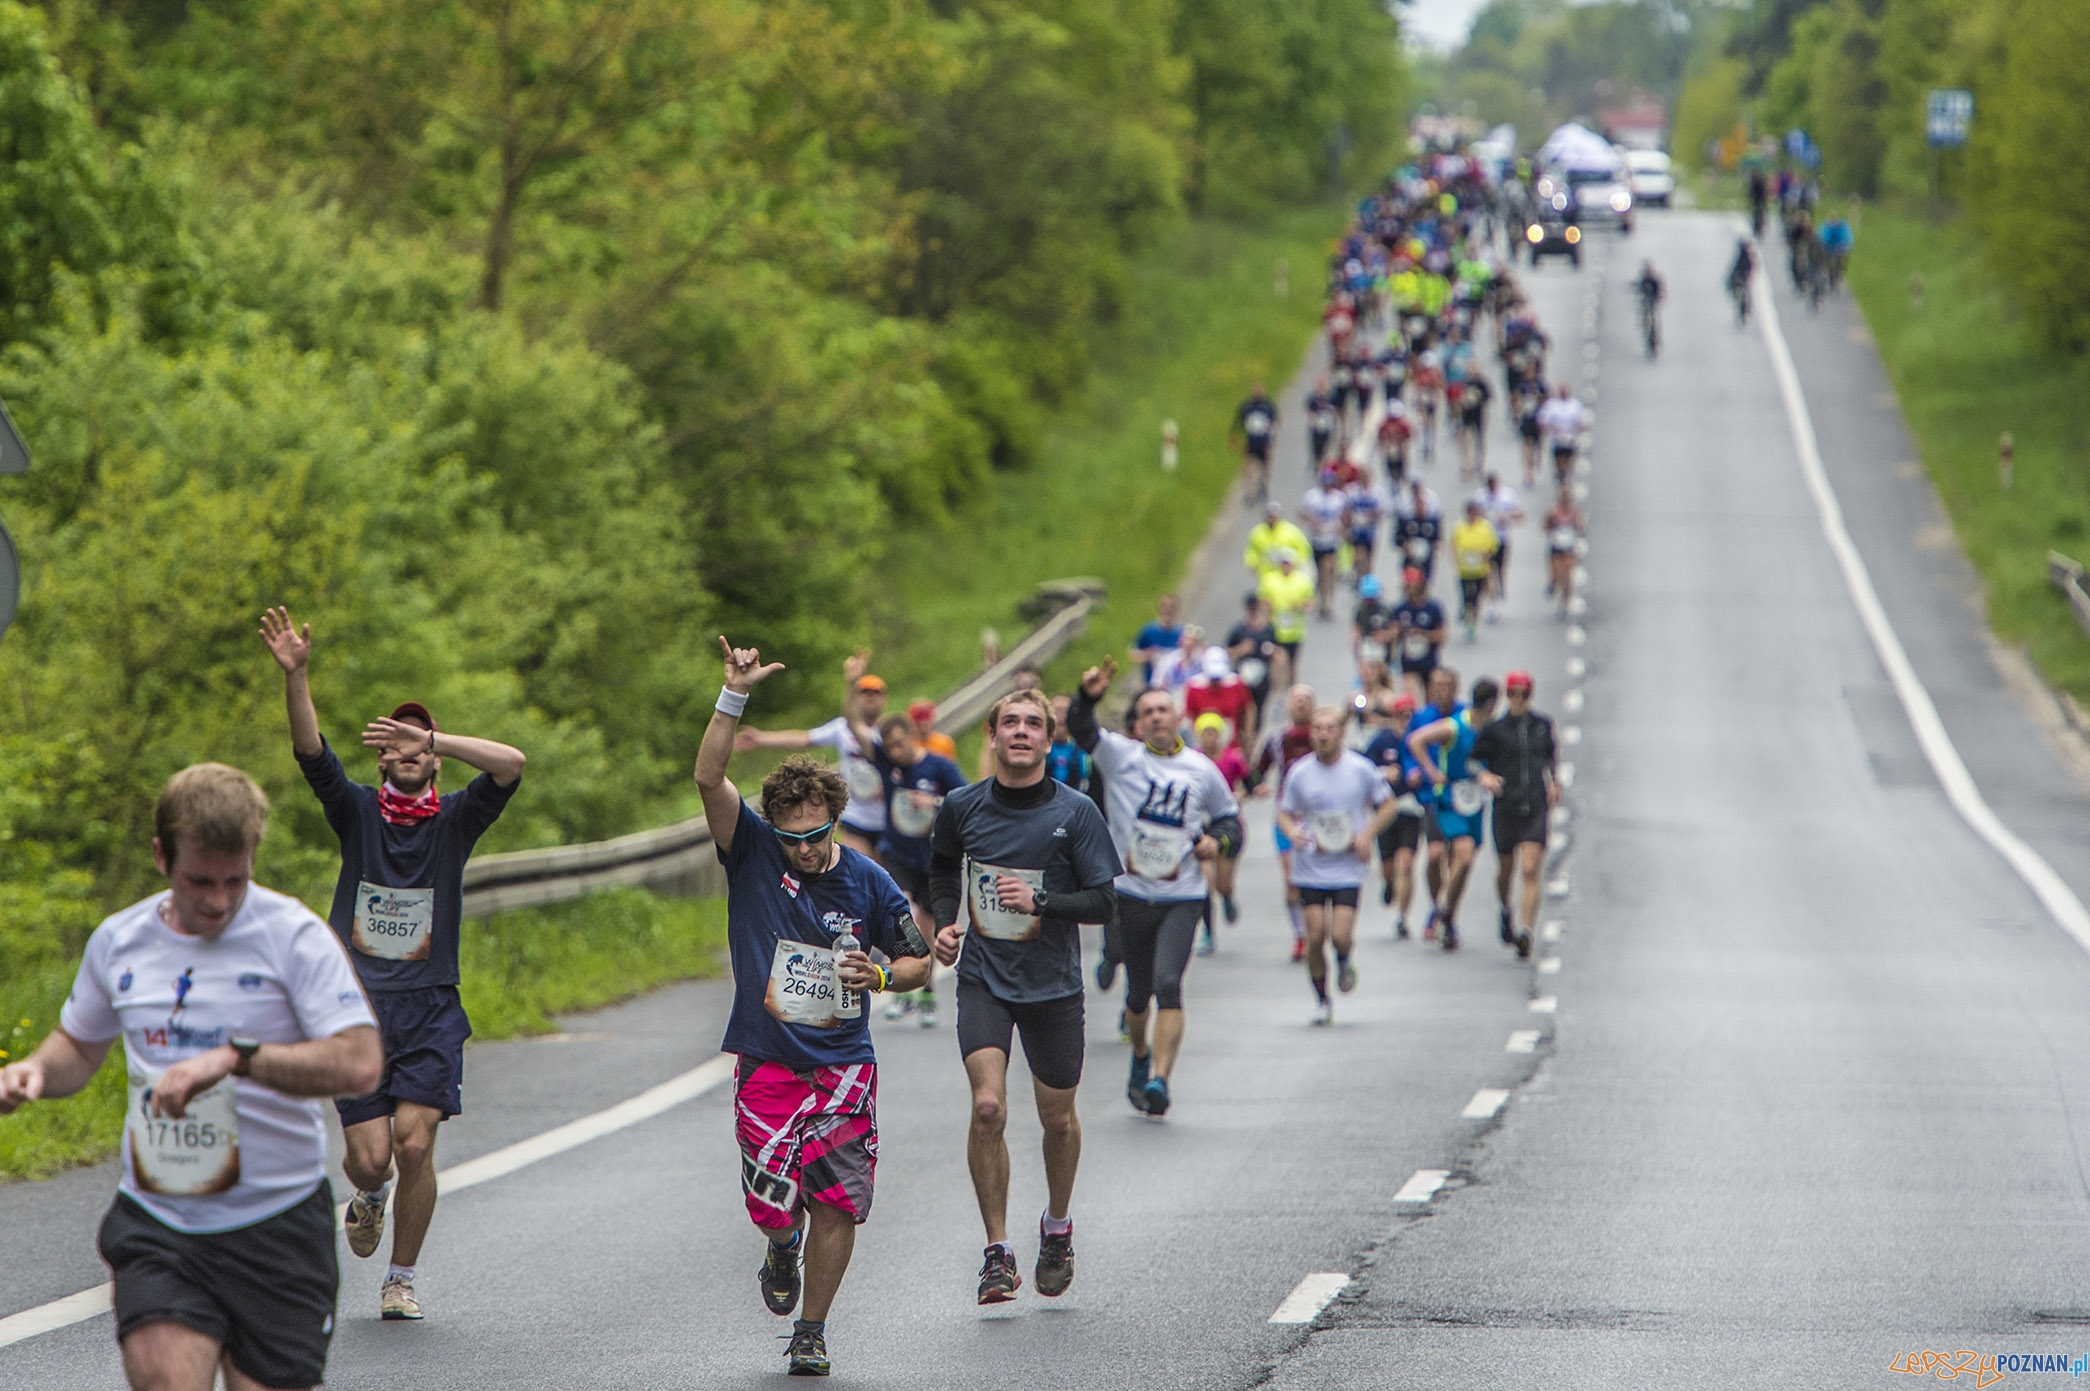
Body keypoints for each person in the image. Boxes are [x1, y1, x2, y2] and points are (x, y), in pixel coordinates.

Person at [0, 764, 383, 1391]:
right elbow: (78, 1046)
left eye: (236, 880)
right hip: (163, 1221)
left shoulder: (293, 937)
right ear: (161, 856)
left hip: (276, 1223)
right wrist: (33, 1072)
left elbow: (361, 1062)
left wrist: (239, 1059)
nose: (219, 901)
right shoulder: (120, 941)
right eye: (200, 881)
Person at [260, 607, 524, 1323]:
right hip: (357, 1010)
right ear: (381, 760)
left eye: (419, 742)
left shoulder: (456, 820)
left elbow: (512, 764)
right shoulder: (357, 813)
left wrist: (434, 736)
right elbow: (310, 750)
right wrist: (297, 674)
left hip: (431, 1006)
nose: (408, 749)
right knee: (372, 1158)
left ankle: (400, 1279)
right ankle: (369, 1194)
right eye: (398, 742)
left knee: (415, 1141)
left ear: (434, 759)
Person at [695, 638, 935, 1376]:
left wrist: (882, 976)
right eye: (792, 836)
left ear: (836, 817)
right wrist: (734, 695)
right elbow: (708, 776)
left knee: (836, 1200)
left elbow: (919, 962)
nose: (804, 847)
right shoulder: (752, 852)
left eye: (817, 833)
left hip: (843, 1065)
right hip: (768, 1061)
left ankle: (812, 1329)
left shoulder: (869, 880)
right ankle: (779, 1244)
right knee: (775, 1204)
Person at [928, 688, 1120, 1304]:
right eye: (1009, 722)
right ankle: (997, 1252)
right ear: (992, 735)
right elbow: (941, 867)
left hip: (1053, 986)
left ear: (1047, 738)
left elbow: (1104, 901)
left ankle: (1056, 1227)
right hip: (985, 977)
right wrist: (944, 922)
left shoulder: (1076, 811)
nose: (1020, 731)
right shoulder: (961, 805)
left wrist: (1041, 901)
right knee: (988, 1107)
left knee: (1057, 1120)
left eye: (1033, 723)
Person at [1068, 662, 1242, 1117]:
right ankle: (1141, 1055)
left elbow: (1230, 821)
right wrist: (1087, 697)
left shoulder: (1201, 769)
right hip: (1129, 894)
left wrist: (1217, 842)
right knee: (1137, 995)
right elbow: (1080, 727)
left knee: (1168, 984)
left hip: (1182, 896)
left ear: (1179, 717)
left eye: (1164, 709)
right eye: (1148, 712)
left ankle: (1161, 1079)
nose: (1158, 717)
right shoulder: (1120, 757)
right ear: (1139, 724)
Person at [1277, 707, 1398, 1025]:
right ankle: (1322, 1000)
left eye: (1330, 728)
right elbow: (1284, 813)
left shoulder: (1361, 769)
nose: (1324, 734)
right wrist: (1293, 832)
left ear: (1341, 733)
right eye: (1318, 728)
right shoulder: (1300, 772)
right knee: (1315, 936)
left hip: (1347, 867)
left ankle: (1343, 958)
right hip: (1311, 866)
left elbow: (1389, 806)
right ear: (1311, 734)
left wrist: (1367, 834)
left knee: (1340, 935)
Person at [849, 709, 967, 1029]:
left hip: (932, 857)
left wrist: (933, 802)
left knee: (926, 926)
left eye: (900, 744)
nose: (896, 752)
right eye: (890, 747)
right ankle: (899, 985)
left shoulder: (938, 766)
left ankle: (926, 990)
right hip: (896, 852)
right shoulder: (887, 764)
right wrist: (852, 689)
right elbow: (854, 724)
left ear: (912, 737)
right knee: (898, 909)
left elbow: (966, 799)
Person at [736, 655, 891, 858]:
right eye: (864, 693)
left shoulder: (893, 733)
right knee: (859, 867)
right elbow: (804, 739)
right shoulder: (842, 728)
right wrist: (760, 738)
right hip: (855, 816)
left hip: (886, 816)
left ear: (884, 698)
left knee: (884, 872)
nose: (870, 698)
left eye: (875, 693)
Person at [1408, 676, 1501, 952]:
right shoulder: (1455, 726)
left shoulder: (1492, 730)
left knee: (1465, 862)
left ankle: (1447, 913)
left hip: (1475, 801)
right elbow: (1416, 740)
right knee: (1460, 853)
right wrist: (1431, 771)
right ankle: (1441, 910)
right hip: (1449, 798)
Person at [1471, 670, 1559, 959]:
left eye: (1523, 694)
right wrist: (1484, 776)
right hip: (1506, 805)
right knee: (1506, 868)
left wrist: (1553, 782)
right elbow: (1473, 760)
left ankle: (1526, 930)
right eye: (1513, 694)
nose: (1518, 699)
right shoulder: (1495, 729)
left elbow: (1550, 757)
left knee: (1530, 868)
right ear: (1507, 696)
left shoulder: (1541, 726)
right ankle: (1506, 908)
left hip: (1534, 803)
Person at [1252, 685, 1318, 961]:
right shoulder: (1278, 739)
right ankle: (1300, 936)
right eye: (1296, 700)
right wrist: (1256, 787)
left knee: (1317, 878)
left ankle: (1317, 930)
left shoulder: (1322, 736)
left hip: (1317, 817)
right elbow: (1257, 772)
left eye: (1306, 700)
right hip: (1286, 817)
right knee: (1292, 879)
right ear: (1289, 705)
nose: (1301, 704)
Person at [1363, 693, 1437, 938]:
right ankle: (1388, 882)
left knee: (1406, 863)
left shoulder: (1419, 740)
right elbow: (1365, 770)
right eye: (1401, 715)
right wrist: (1385, 773)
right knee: (1388, 867)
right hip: (1386, 810)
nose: (1405, 720)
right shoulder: (1382, 740)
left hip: (1411, 810)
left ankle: (1402, 917)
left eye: (1409, 715)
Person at [1192, 712, 1250, 953]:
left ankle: (1226, 896)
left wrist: (1239, 795)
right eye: (1205, 733)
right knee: (1205, 883)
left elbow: (1250, 784)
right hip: (1200, 826)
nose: (1209, 738)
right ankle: (1208, 932)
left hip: (1227, 826)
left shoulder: (1232, 759)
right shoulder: (1192, 760)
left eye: (1213, 733)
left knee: (1221, 884)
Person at [1225, 592, 1281, 748]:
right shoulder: (1238, 630)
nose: (1253, 609)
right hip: (1242, 678)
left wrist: (1273, 654)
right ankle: (1241, 744)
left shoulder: (1268, 630)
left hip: (1262, 678)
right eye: (1250, 607)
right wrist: (1241, 650)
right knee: (1241, 711)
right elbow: (1226, 653)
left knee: (1259, 711)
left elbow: (1279, 653)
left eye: (1255, 606)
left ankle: (1252, 745)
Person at [1390, 567, 1448, 702]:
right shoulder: (1400, 609)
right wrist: (1400, 632)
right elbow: (1393, 633)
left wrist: (1424, 634)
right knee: (1411, 696)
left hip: (1429, 661)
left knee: (1432, 700)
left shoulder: (1433, 608)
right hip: (1408, 663)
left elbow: (1441, 635)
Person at [1257, 549, 1316, 679]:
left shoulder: (1302, 581)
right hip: (1275, 628)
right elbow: (1261, 600)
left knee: (1293, 664)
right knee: (1279, 661)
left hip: (1295, 630)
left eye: (1288, 563)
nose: (1285, 566)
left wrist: (1300, 605)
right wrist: (1268, 606)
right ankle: (1279, 687)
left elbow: (1311, 603)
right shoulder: (1270, 579)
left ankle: (1291, 686)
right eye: (1283, 563)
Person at [1183, 645, 1252, 751]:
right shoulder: (1194, 687)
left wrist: (1247, 736)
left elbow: (1248, 709)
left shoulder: (1236, 684)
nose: (1215, 681)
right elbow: (1189, 715)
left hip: (1231, 744)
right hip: (1202, 744)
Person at [1300, 472, 1349, 617]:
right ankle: (1323, 599)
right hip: (1317, 540)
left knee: (1328, 570)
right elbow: (1302, 512)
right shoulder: (1312, 496)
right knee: (1321, 573)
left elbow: (1346, 515)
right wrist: (1312, 521)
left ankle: (1329, 602)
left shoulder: (1339, 498)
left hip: (1332, 541)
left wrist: (1342, 526)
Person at [1474, 473, 1523, 616]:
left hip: (1501, 538)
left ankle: (1500, 586)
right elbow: (1472, 515)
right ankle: (1491, 600)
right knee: (1488, 570)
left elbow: (1519, 514)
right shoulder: (1480, 497)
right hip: (1484, 540)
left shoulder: (1507, 495)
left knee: (1500, 568)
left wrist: (1506, 517)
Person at [1534, 382, 1587, 488]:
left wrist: (1576, 429)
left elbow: (1582, 421)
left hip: (1571, 439)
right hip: (1558, 440)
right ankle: (1561, 481)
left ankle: (1567, 484)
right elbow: (1542, 420)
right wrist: (1552, 429)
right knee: (1560, 465)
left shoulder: (1575, 404)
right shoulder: (1552, 405)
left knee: (1569, 465)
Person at [1244, 500, 1311, 583]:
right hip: (1267, 575)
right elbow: (1251, 551)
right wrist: (1253, 564)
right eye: (1269, 516)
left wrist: (1298, 563)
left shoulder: (1291, 531)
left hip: (1288, 575)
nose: (1271, 519)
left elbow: (1303, 548)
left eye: (1274, 516)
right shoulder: (1257, 533)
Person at [1544, 485, 1585, 617]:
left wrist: (1578, 525)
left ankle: (1564, 603)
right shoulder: (1553, 512)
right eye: (1563, 500)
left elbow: (1582, 528)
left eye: (1568, 500)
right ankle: (1552, 585)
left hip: (1568, 549)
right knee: (1556, 576)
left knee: (1568, 578)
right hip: (1556, 548)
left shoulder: (1574, 513)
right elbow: (1544, 527)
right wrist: (1551, 525)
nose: (1566, 502)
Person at [1392, 478, 1442, 583]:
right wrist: (1405, 546)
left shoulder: (1431, 522)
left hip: (1426, 558)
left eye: (1422, 505)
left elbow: (1437, 538)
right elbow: (1397, 538)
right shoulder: (1407, 522)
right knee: (1411, 582)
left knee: (1424, 582)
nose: (1420, 508)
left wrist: (1434, 548)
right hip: (1410, 559)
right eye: (1417, 505)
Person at [1234, 383, 1279, 503]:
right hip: (1251, 442)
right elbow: (1239, 422)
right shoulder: (1247, 406)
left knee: (1265, 467)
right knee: (1249, 468)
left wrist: (1271, 438)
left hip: (1264, 441)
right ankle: (1249, 492)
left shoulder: (1268, 406)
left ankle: (1262, 487)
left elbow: (1275, 422)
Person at [1044, 694, 1094, 796]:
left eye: (1066, 712)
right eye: (1056, 711)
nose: (1062, 717)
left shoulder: (1082, 751)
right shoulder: (1038, 749)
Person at [1131, 594, 1184, 685]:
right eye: (1164, 606)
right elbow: (1134, 654)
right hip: (1152, 683)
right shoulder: (1148, 631)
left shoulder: (1182, 633)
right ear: (1159, 609)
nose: (1168, 609)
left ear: (1176, 610)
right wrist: (1148, 655)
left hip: (1176, 685)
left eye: (1172, 606)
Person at [1305, 374, 1339, 466]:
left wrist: (1333, 420)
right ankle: (1317, 461)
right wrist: (1312, 421)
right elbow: (1310, 412)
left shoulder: (1331, 398)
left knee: (1326, 446)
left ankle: (1322, 463)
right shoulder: (1313, 399)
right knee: (1316, 447)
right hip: (1317, 427)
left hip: (1327, 426)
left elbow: (1335, 411)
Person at [1727, 237, 1756, 325]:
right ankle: (1745, 311)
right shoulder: (1744, 257)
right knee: (1744, 296)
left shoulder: (1744, 257)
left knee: (1744, 296)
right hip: (1741, 279)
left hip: (1742, 279)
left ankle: (1745, 310)